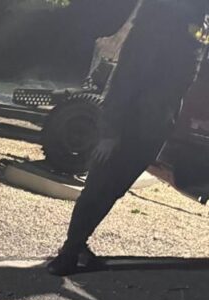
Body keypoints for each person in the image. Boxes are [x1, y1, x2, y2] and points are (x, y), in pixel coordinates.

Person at [47, 0, 207, 275]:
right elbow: (125, 81)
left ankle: (77, 246)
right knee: (100, 186)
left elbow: (174, 90)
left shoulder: (188, 36)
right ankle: (69, 253)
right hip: (128, 127)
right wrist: (110, 133)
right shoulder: (156, 28)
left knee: (113, 188)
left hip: (152, 129)